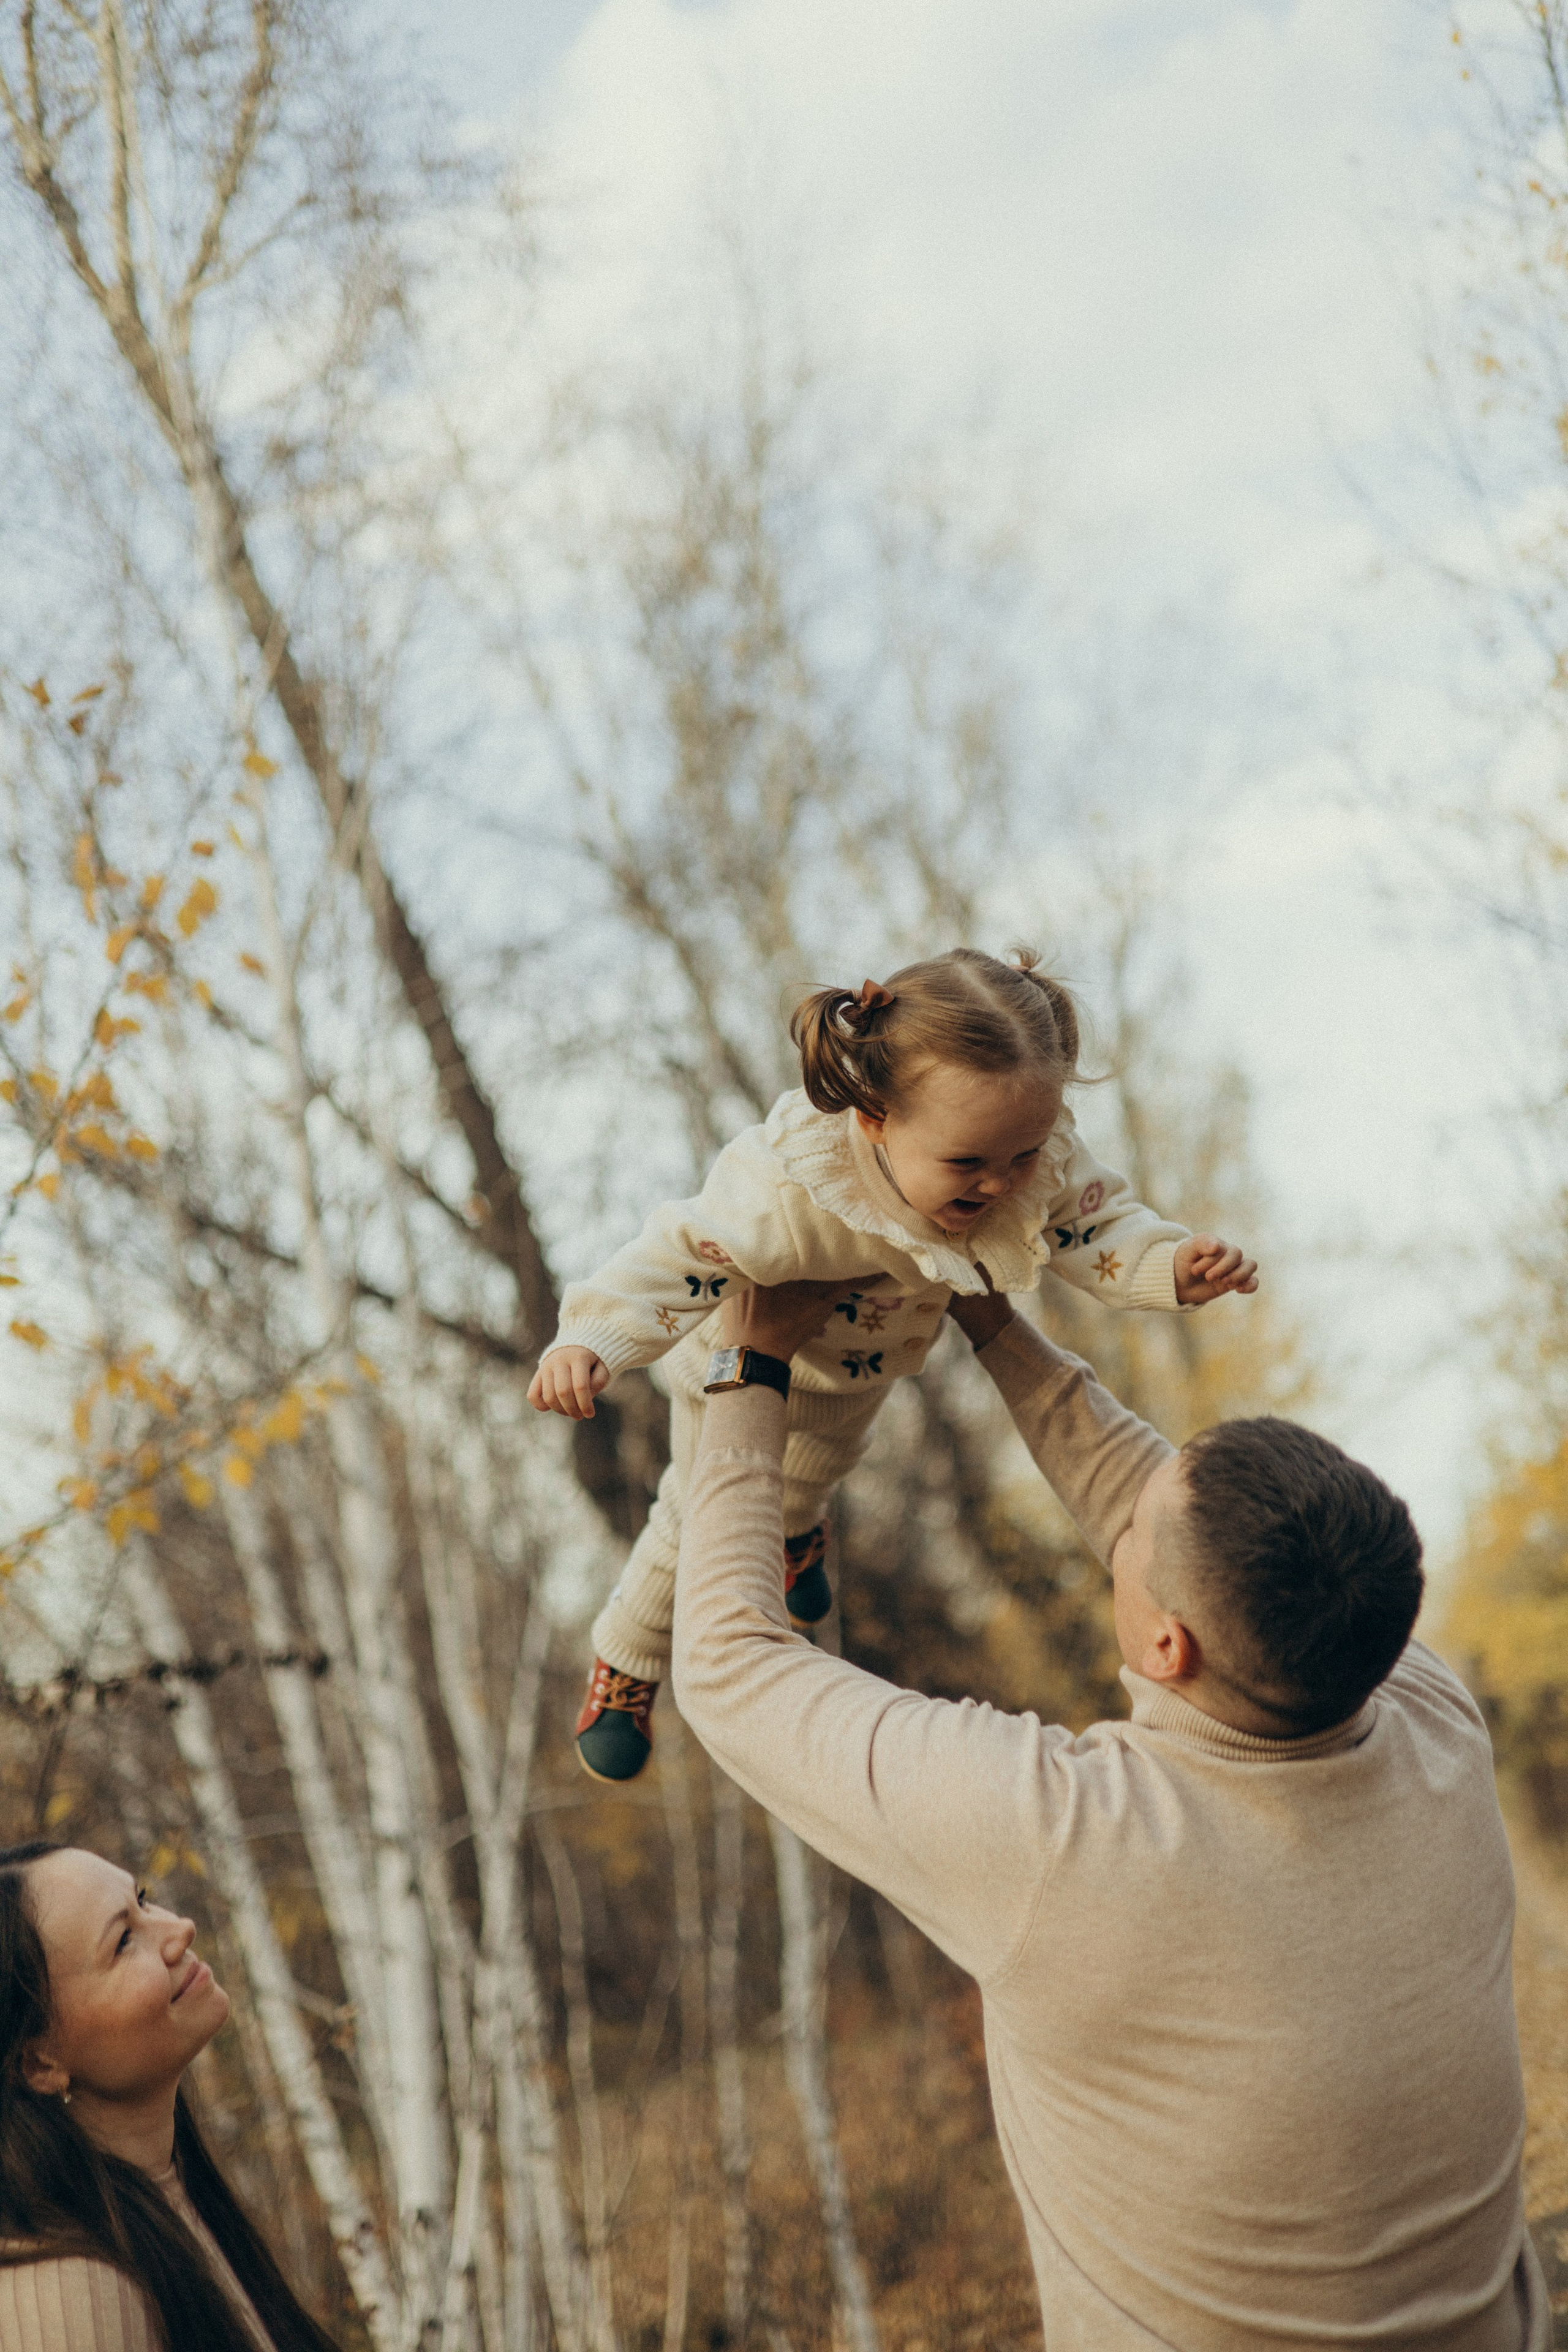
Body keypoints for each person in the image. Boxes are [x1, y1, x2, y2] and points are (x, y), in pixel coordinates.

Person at [670, 1274, 1550, 2352]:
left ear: (1167, 1645)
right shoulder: (1432, 1718)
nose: (1120, 1516)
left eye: (1133, 1532)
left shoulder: (1063, 1839)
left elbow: (724, 1663)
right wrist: (988, 1317)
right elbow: (1180, 1527)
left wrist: (747, 1365)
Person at [529, 946, 1257, 1779]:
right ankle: (627, 1654)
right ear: (874, 1115)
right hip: (732, 1372)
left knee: (824, 1467)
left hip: (862, 1372)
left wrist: (1170, 1268)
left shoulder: (1026, 1159)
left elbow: (1095, 1227)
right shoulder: (786, 1189)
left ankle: (797, 1537)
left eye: (1022, 1156)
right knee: (695, 1510)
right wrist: (589, 1340)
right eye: (968, 1164)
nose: (999, 1186)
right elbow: (675, 1255)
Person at [0, 1841, 339, 2352]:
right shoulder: (74, 2298)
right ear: (40, 2063)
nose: (181, 1928)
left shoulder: (171, 2200)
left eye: (143, 1899)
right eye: (123, 1941)